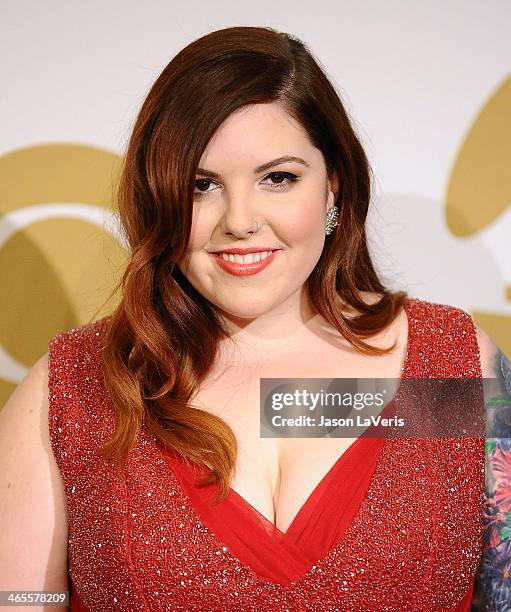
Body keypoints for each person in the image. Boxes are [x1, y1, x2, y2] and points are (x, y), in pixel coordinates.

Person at [0, 25, 508, 611]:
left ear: (334, 185)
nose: (239, 220)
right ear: (157, 196)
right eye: (201, 185)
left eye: (278, 178)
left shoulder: (449, 366)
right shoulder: (73, 390)